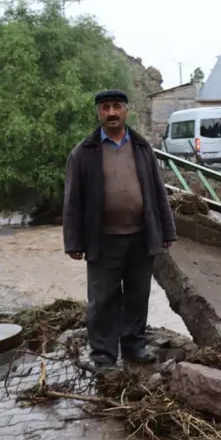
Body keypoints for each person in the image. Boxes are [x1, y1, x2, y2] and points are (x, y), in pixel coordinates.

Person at [62, 89, 177, 371]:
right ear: (98, 113)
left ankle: (134, 345)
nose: (111, 112)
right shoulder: (83, 153)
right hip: (103, 239)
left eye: (116, 107)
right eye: (105, 108)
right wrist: (73, 241)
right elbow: (72, 200)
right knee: (102, 299)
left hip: (140, 236)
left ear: (126, 111)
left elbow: (157, 191)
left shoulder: (141, 148)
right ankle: (103, 355)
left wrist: (167, 231)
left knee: (138, 295)